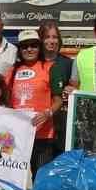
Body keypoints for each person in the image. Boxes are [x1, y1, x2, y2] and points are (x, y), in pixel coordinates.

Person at [7, 32, 62, 175]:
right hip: (17, 136)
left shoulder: (51, 68)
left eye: (33, 46)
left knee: (41, 178)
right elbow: (4, 99)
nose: (29, 49)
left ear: (40, 48)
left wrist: (47, 113)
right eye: (24, 46)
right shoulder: (12, 71)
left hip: (43, 136)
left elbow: (58, 100)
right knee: (15, 179)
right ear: (19, 50)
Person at [39, 20, 75, 154]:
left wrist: (72, 90)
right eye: (47, 37)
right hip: (39, 123)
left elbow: (76, 87)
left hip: (61, 123)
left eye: (54, 37)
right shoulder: (33, 62)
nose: (51, 41)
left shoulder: (68, 63)